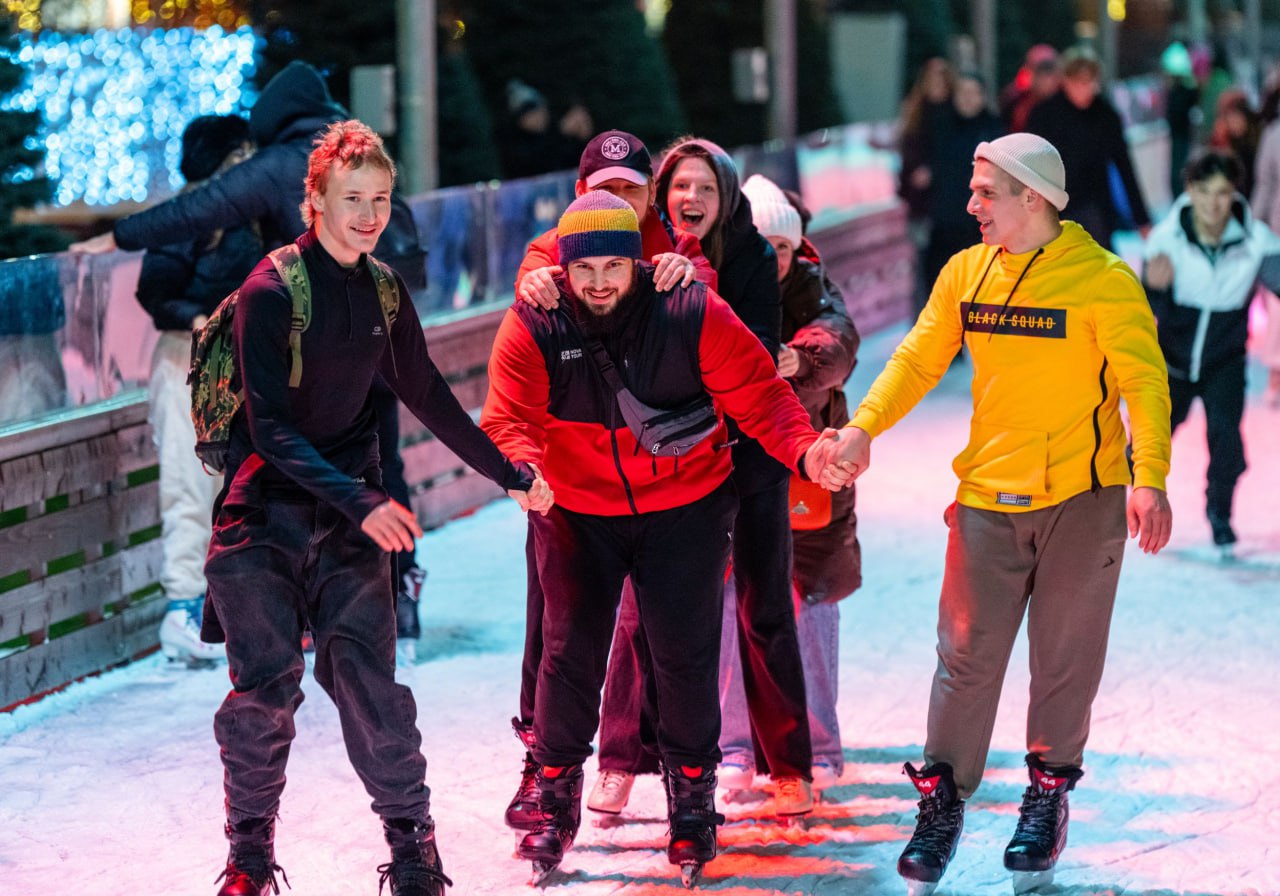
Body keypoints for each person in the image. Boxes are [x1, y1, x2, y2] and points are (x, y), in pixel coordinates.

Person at [200, 120, 552, 896]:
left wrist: (506, 471)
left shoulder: (384, 290)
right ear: (315, 200)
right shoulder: (271, 289)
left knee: (369, 685)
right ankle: (249, 858)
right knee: (265, 689)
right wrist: (363, 500)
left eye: (382, 199)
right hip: (262, 517)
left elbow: (427, 392)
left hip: (348, 521)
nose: (368, 214)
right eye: (352, 198)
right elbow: (271, 430)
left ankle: (414, 849)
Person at [815, 132, 1173, 892]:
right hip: (987, 496)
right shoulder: (966, 272)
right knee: (965, 658)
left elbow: (1145, 384)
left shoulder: (1104, 281)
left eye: (986, 193)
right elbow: (916, 357)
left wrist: (1150, 476)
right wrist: (863, 426)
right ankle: (942, 803)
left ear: (1033, 198)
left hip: (1085, 498)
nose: (970, 203)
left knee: (1064, 655)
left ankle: (1046, 797)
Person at [479, 190, 827, 883]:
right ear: (565, 267)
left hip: (686, 506)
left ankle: (692, 808)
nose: (600, 281)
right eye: (586, 269)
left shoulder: (688, 308)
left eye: (615, 265)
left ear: (638, 263)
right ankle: (554, 800)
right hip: (575, 508)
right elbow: (505, 416)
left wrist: (809, 452)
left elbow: (762, 396)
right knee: (569, 653)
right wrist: (524, 469)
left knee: (683, 657)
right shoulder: (537, 319)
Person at [69, 61, 430, 654]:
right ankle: (394, 605)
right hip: (380, 341)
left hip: (326, 351)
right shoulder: (358, 158)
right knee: (378, 464)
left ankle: (346, 613)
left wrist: (115, 237)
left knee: (319, 468)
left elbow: (193, 211)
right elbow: (410, 247)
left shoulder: (288, 162)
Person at [594, 137, 818, 818]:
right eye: (679, 186)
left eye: (706, 188)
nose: (690, 199)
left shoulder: (751, 255)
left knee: (764, 606)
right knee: (643, 613)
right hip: (673, 458)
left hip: (746, 452)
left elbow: (747, 354)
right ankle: (621, 760)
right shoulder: (633, 248)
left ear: (726, 199)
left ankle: (788, 765)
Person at [500, 128, 713, 833]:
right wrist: (533, 279)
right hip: (565, 482)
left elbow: (705, 319)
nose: (618, 200)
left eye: (630, 188)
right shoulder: (557, 248)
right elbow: (537, 286)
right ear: (580, 195)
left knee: (664, 635)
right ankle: (544, 764)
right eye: (604, 189)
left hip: (662, 482)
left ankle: (651, 768)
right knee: (558, 635)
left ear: (647, 191)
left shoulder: (672, 250)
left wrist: (685, 274)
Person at [713, 174, 861, 794]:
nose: (770, 256)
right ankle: (736, 744)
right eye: (760, 242)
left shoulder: (813, 290)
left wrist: (796, 357)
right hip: (730, 471)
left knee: (811, 605)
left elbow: (838, 340)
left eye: (781, 246)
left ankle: (819, 739)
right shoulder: (721, 284)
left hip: (812, 469)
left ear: (796, 249)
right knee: (728, 608)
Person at [136, 113, 262, 666]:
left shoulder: (255, 212)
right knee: (190, 484)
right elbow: (155, 292)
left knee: (243, 485)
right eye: (241, 153)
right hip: (185, 363)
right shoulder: (192, 219)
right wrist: (199, 320)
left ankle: (236, 606)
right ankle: (184, 609)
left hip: (244, 362)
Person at [1143, 150, 1280, 556]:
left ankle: (1220, 514)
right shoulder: (1168, 238)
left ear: (1234, 193)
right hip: (1173, 359)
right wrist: (1153, 287)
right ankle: (1124, 508)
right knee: (1148, 442)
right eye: (1204, 192)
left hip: (1225, 361)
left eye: (1222, 193)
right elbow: (1142, 303)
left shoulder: (1256, 242)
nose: (1212, 203)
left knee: (1226, 443)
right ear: (1190, 191)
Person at [1025, 45, 1152, 249]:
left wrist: (1141, 219)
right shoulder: (1045, 116)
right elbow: (1030, 166)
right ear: (1065, 80)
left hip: (1097, 210)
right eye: (1078, 81)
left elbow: (1124, 165)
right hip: (1055, 209)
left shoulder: (1105, 115)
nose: (1084, 88)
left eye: (1089, 80)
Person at [923, 71, 1004, 294]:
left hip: (982, 225)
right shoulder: (940, 125)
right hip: (945, 224)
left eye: (973, 92)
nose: (968, 98)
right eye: (963, 92)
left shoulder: (995, 130)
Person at [1251, 108, 1280, 406]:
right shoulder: (1274, 134)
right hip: (1277, 233)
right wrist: (1255, 228)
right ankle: (1276, 371)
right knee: (1277, 310)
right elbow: (1266, 184)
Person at [1208, 89, 1261, 198]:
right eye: (1229, 118)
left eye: (1236, 117)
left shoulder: (1258, 138)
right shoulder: (1224, 139)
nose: (1233, 123)